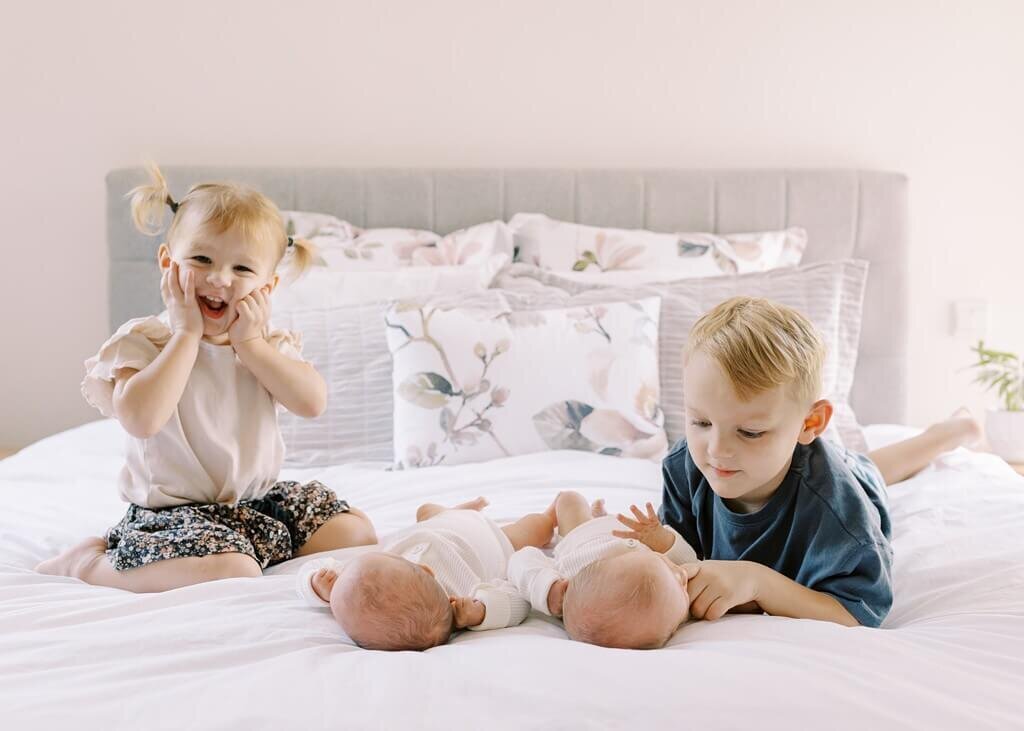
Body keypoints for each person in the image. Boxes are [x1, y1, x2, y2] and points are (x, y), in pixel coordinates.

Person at [36, 164, 376, 591]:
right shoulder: (146, 341)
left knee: (354, 534)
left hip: (254, 505)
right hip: (171, 517)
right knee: (235, 571)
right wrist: (186, 335)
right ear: (167, 263)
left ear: (267, 288)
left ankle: (238, 550)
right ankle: (87, 564)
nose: (219, 278)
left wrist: (251, 346)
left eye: (242, 269)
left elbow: (312, 403)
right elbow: (140, 419)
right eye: (201, 259)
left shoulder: (267, 343)